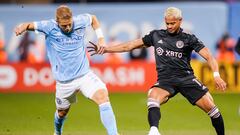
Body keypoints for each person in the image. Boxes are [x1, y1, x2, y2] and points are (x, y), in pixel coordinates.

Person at [88, 7, 227, 135]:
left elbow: (209, 56)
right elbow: (129, 46)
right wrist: (106, 49)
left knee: (212, 109)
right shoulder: (156, 36)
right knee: (152, 97)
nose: (169, 26)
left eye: (172, 23)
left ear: (180, 21)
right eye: (167, 23)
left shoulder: (189, 39)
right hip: (166, 80)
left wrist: (216, 75)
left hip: (186, 78)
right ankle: (154, 131)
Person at [15, 5, 119, 135]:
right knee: (62, 113)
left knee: (103, 97)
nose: (68, 28)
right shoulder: (48, 26)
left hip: (84, 75)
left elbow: (93, 19)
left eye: (69, 24)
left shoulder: (80, 21)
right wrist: (22, 27)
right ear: (57, 22)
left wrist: (102, 39)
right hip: (64, 82)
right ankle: (57, 131)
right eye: (64, 26)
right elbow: (28, 25)